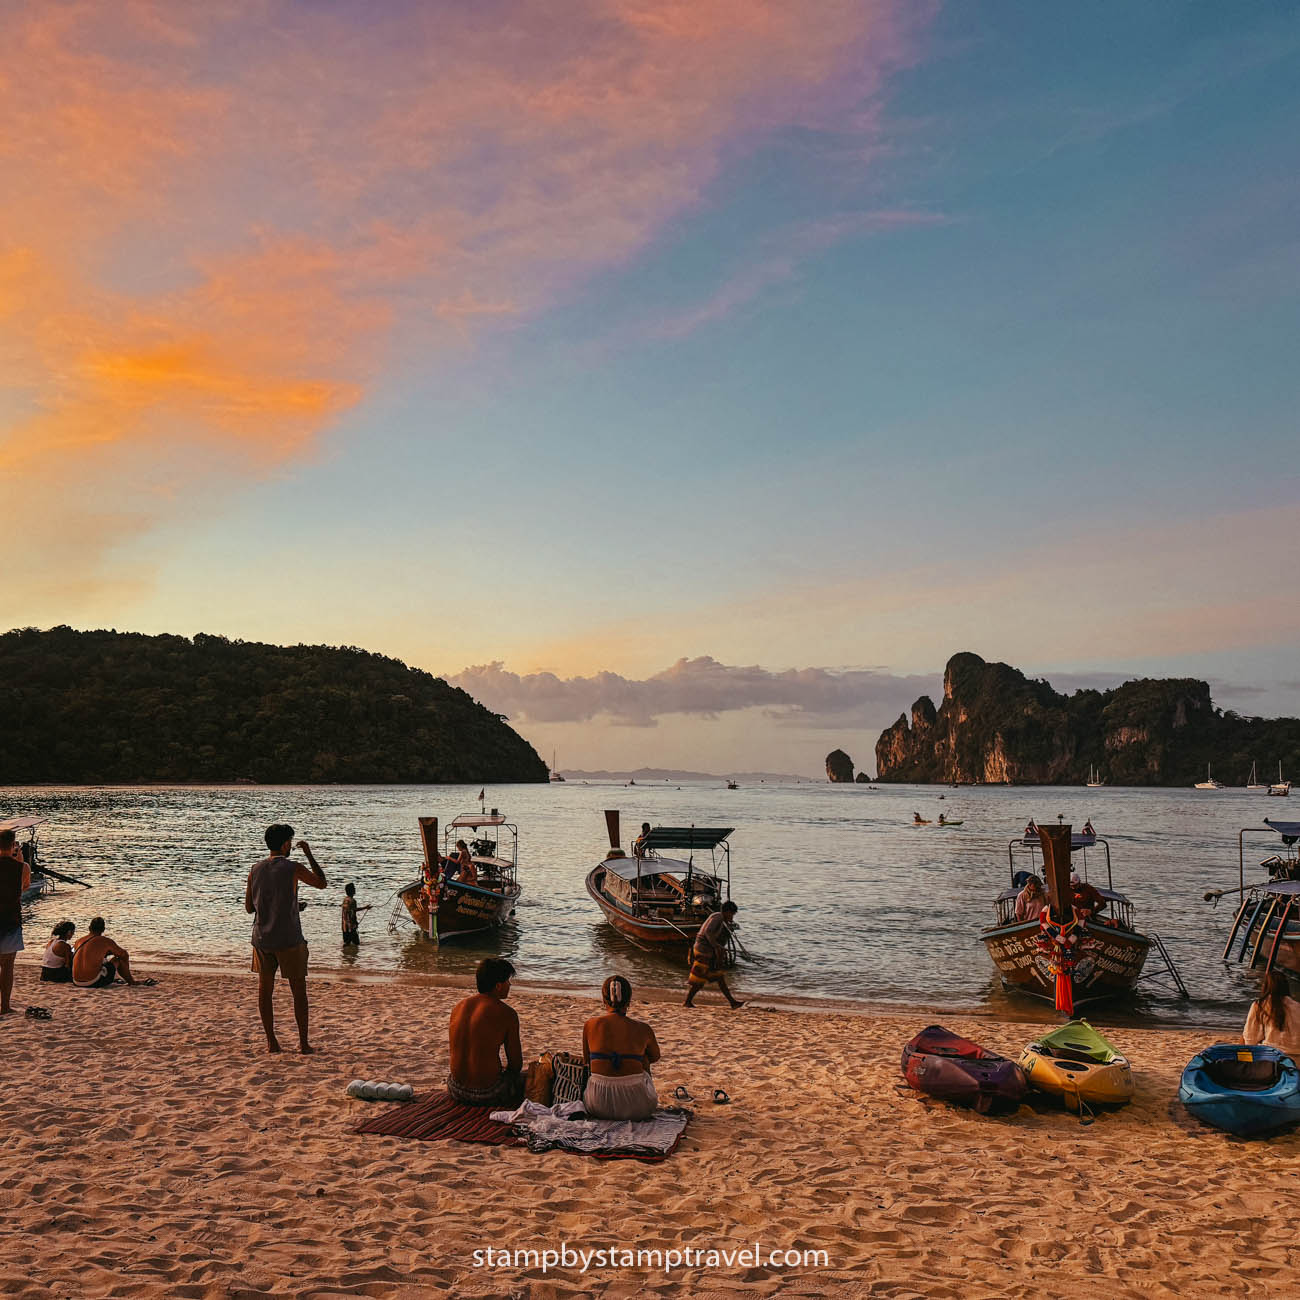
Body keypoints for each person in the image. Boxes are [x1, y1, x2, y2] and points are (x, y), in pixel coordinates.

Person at [245, 824, 327, 1054]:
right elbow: (321, 883)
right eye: (290, 842)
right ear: (285, 844)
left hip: (262, 938)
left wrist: (289, 906)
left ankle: (272, 1042)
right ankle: (303, 1043)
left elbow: (250, 908)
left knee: (265, 992)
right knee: (298, 992)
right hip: (289, 938)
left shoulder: (255, 869)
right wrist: (309, 854)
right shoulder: (293, 868)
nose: (291, 846)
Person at [447, 957, 524, 1107]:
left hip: (455, 1088)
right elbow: (515, 1065)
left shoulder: (458, 1007)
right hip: (488, 1093)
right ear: (498, 986)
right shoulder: (507, 1013)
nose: (510, 985)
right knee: (527, 1078)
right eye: (508, 981)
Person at [583, 975, 661, 1120]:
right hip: (637, 1109)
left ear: (604, 999)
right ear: (629, 1000)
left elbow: (586, 1060)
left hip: (597, 1105)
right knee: (643, 1057)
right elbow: (655, 1057)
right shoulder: (643, 1028)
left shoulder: (590, 1025)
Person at [685, 901, 744, 1009]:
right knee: (699, 980)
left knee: (719, 977)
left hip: (708, 951)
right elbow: (708, 932)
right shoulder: (718, 917)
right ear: (727, 912)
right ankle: (687, 1001)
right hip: (703, 950)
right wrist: (716, 946)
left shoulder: (720, 918)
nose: (732, 916)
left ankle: (733, 1002)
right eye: (732, 914)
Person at [0, 827, 31, 1014]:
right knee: (7, 966)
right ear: (13, 845)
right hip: (10, 920)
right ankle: (4, 1006)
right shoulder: (23, 867)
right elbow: (24, 888)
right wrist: (20, 860)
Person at [73, 916, 147, 987]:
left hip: (76, 981)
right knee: (118, 959)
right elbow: (124, 954)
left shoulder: (78, 941)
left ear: (89, 928)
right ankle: (131, 982)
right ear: (103, 929)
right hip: (93, 982)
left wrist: (105, 953)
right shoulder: (105, 941)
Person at [1243, 969, 1300, 1059]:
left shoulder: (1260, 1005)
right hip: (1296, 1057)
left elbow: (1250, 1038)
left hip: (1271, 1057)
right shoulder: (1297, 1006)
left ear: (1266, 986)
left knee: (1244, 1038)